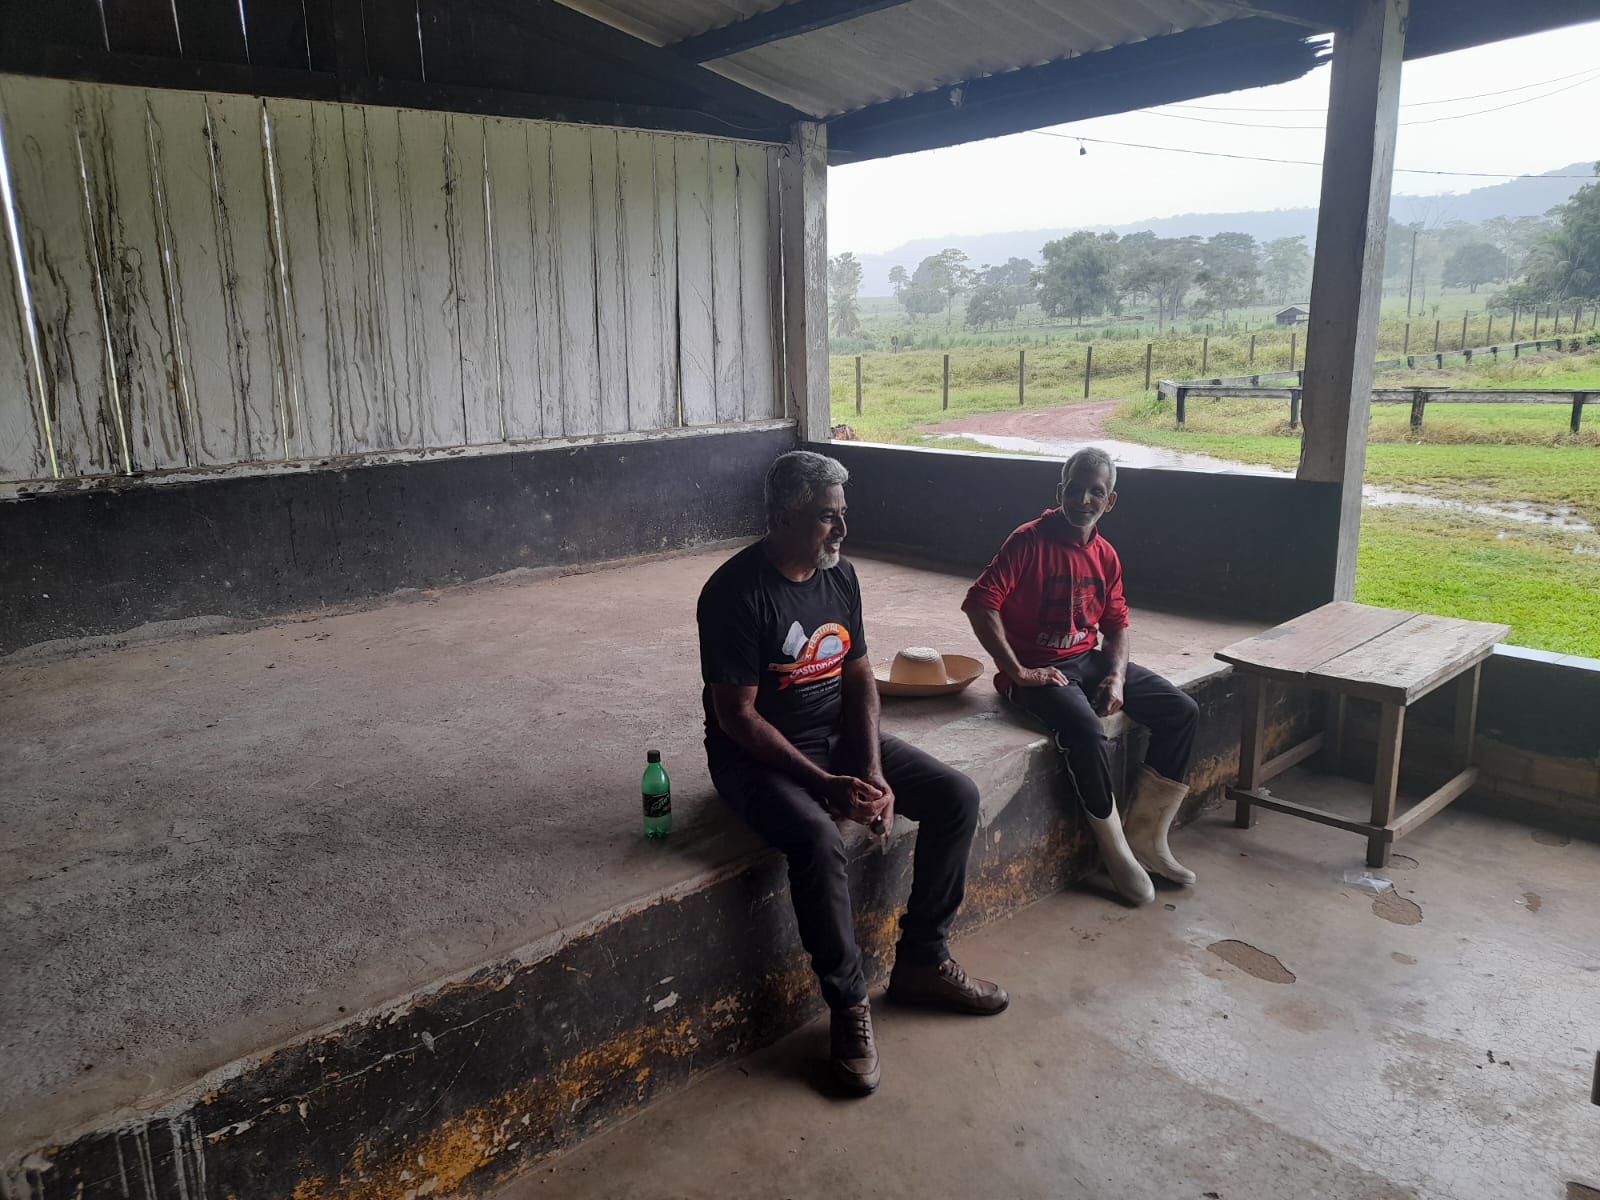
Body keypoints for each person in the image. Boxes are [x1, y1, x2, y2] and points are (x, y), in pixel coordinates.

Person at [698, 450, 1008, 1096]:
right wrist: (824, 786)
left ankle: (923, 960)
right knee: (817, 839)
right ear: (781, 518)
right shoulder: (734, 594)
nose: (841, 529)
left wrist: (870, 768)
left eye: (842, 514)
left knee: (955, 795)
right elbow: (738, 718)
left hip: (837, 739)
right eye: (825, 517)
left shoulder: (840, 576)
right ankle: (848, 1005)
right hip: (754, 756)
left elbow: (859, 673)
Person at [960, 447, 1200, 906]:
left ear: (1111, 501)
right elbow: (980, 602)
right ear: (1060, 491)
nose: (1083, 499)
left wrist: (1116, 677)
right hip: (1039, 671)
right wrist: (1017, 671)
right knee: (1086, 731)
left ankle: (1148, 837)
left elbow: (1117, 625)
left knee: (1181, 710)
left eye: (1096, 491)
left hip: (1086, 660)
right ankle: (1116, 850)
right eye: (1075, 489)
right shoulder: (1028, 542)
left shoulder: (1106, 555)